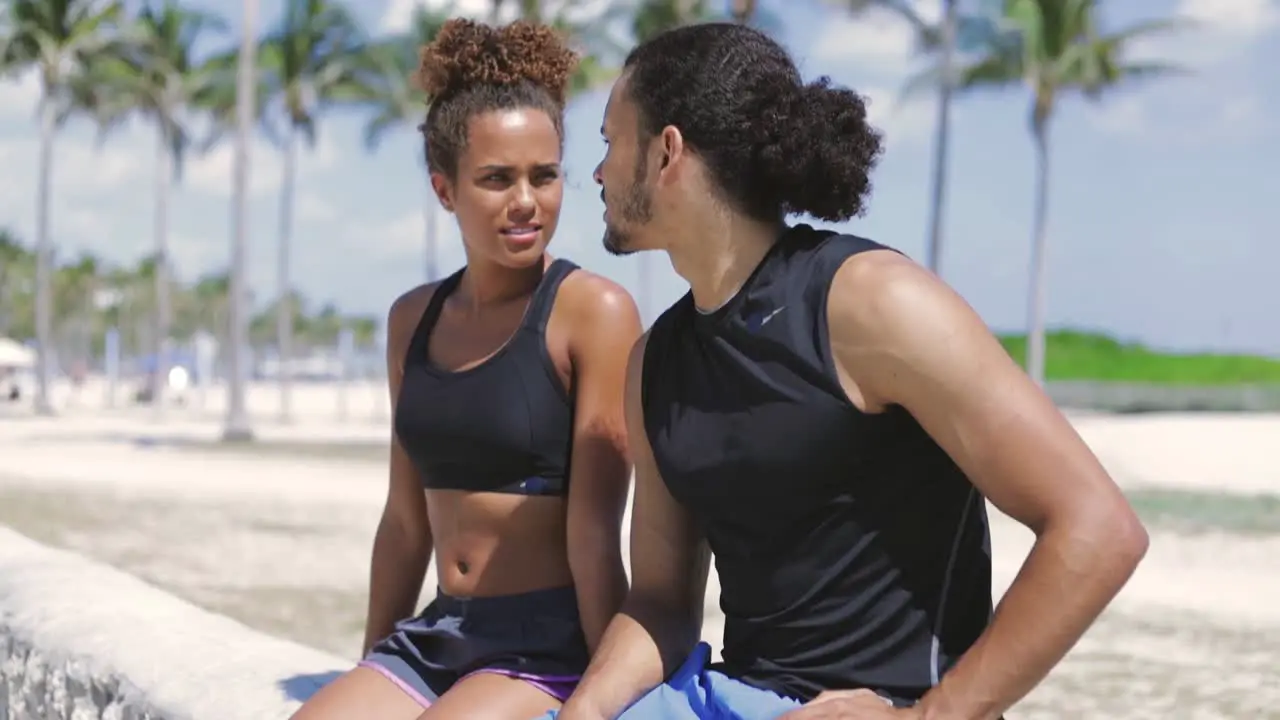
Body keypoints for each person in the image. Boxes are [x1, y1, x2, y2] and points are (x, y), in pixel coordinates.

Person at [549, 22, 1150, 720]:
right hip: (732, 698)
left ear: (666, 151)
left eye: (608, 142)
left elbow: (1097, 527)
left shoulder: (869, 303)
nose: (596, 173)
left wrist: (925, 717)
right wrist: (582, 714)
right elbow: (658, 603)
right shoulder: (655, 362)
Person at [291, 18, 641, 720]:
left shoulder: (593, 312)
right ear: (445, 189)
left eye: (544, 176)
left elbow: (597, 531)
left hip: (546, 646)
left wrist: (612, 698)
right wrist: (372, 667)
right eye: (495, 179)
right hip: (438, 633)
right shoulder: (411, 320)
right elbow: (402, 522)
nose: (526, 202)